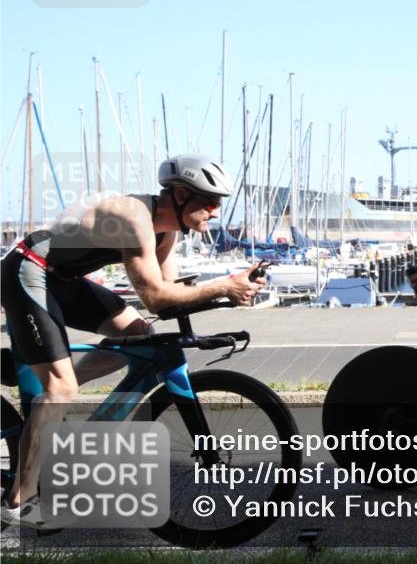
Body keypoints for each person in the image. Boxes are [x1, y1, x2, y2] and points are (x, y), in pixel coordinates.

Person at [0, 155, 266, 527]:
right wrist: (223, 286)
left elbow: (170, 295)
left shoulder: (166, 231)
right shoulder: (133, 218)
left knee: (141, 338)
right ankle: (19, 502)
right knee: (60, 389)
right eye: (209, 202)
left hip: (64, 280)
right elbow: (154, 297)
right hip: (28, 269)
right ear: (179, 195)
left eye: (218, 203)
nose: (215, 212)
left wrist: (231, 290)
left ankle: (45, 373)